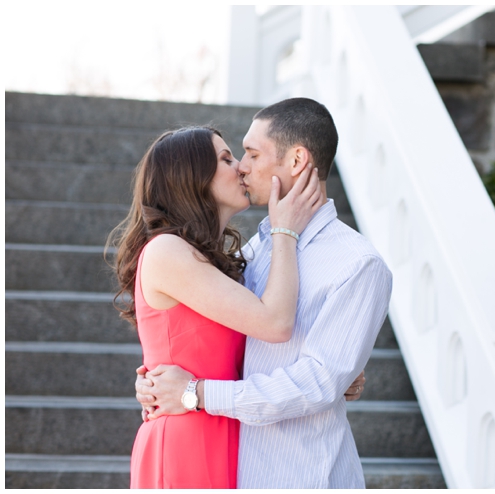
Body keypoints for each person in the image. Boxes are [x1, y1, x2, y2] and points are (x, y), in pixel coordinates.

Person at [135, 98, 393, 488]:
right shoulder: (255, 250)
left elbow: (316, 383)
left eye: (252, 153)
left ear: (296, 161)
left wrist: (195, 393)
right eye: (232, 157)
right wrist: (159, 383)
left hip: (299, 474)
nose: (242, 165)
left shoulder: (357, 264)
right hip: (216, 453)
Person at [109, 126, 326, 487]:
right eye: (226, 159)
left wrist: (334, 368)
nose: (241, 167)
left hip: (225, 431)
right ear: (192, 177)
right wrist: (284, 230)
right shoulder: (167, 250)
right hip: (186, 441)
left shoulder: (210, 261)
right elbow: (274, 322)